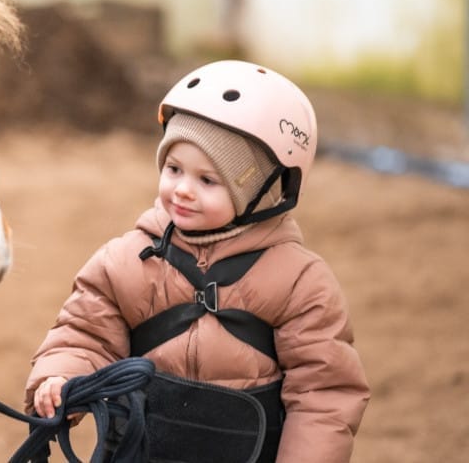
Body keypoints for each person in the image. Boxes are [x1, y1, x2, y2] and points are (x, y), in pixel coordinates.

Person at [25, 60, 369, 462]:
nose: (183, 190)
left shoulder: (300, 282)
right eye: (174, 169)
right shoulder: (125, 260)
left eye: (208, 180)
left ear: (261, 193)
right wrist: (61, 377)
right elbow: (84, 333)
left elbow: (323, 395)